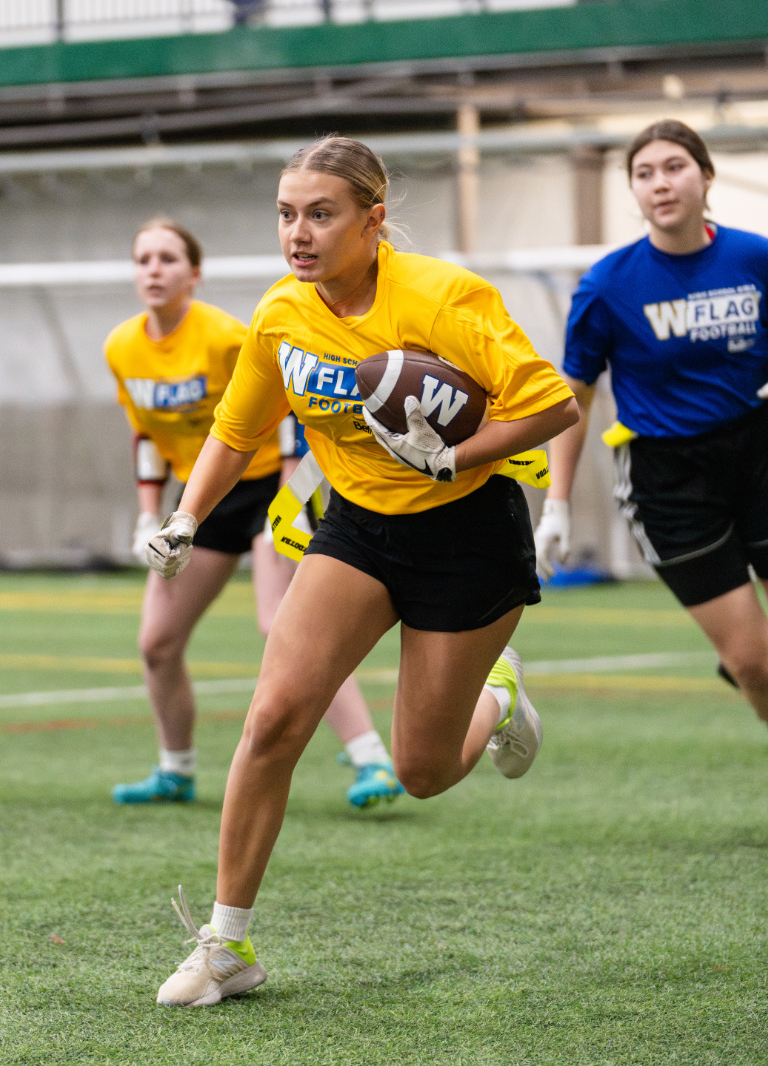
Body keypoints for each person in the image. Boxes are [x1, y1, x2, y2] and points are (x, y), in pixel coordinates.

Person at [140, 139, 580, 1007]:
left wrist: (453, 458)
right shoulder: (281, 312)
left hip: (467, 535)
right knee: (273, 720)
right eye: (285, 214)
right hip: (357, 530)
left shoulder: (445, 298)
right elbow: (236, 430)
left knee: (422, 770)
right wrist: (185, 517)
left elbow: (552, 406)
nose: (297, 233)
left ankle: (497, 695)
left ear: (373, 220)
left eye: (320, 214)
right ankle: (227, 946)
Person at [534, 118, 768, 848]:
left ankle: (752, 664)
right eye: (644, 172)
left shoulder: (757, 258)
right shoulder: (608, 285)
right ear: (633, 191)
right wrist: (555, 504)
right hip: (668, 480)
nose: (660, 183)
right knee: (754, 662)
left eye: (675, 167)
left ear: (706, 177)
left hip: (764, 455)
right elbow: (574, 395)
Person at [107, 217, 403, 810]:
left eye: (167, 259)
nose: (153, 270)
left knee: (281, 624)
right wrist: (148, 516)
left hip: (272, 482)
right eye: (143, 260)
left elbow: (292, 407)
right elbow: (147, 437)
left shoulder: (226, 336)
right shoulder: (122, 347)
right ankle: (175, 769)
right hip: (204, 496)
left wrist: (292, 500)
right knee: (157, 641)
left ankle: (371, 758)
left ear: (194, 274)